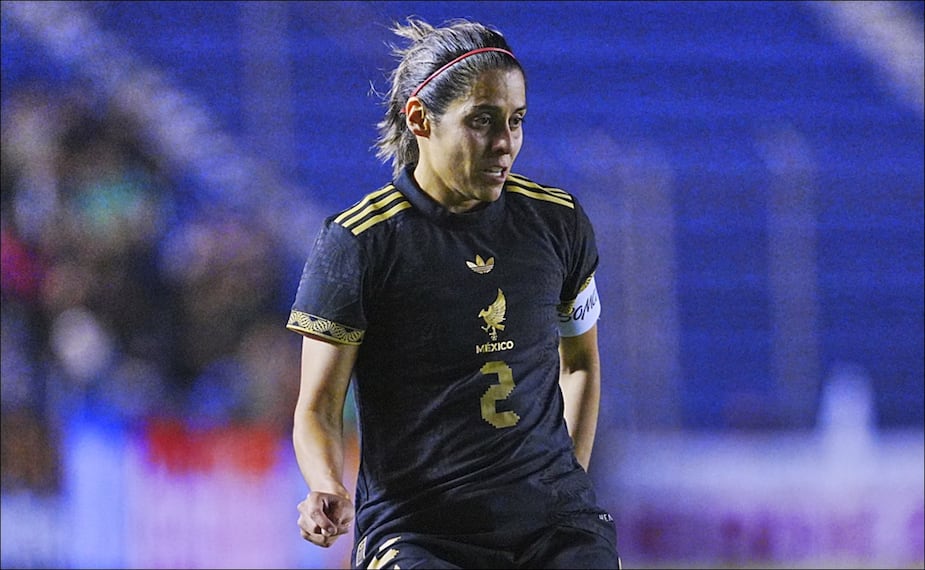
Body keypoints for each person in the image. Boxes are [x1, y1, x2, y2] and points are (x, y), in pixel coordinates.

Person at [286, 17, 620, 569]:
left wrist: (569, 486)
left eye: (516, 121)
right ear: (420, 119)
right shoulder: (359, 243)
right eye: (482, 121)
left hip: (553, 527)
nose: (504, 143)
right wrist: (327, 483)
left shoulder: (557, 223)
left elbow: (580, 362)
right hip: (418, 532)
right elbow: (318, 406)